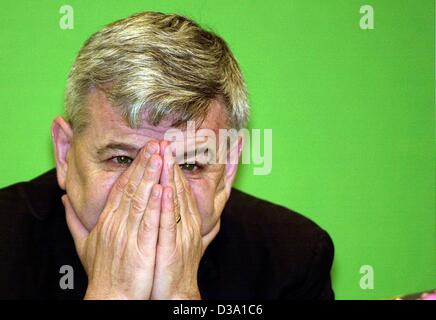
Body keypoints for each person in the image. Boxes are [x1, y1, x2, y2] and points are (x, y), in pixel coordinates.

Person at [0, 11, 334, 300]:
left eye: (189, 164)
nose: (156, 194)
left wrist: (181, 296)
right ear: (65, 152)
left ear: (228, 166)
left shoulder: (292, 258)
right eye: (123, 159)